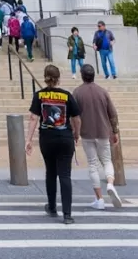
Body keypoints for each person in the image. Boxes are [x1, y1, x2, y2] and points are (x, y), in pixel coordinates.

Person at [26, 64, 82, 224]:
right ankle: (67, 214)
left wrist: (28, 139)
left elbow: (33, 118)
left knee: (50, 172)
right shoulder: (66, 95)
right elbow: (77, 118)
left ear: (45, 77)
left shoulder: (40, 95)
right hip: (65, 137)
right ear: (59, 78)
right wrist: (76, 134)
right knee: (65, 174)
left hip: (47, 137)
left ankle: (51, 206)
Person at [72, 66, 123, 209]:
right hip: (103, 131)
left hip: (87, 132)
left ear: (82, 76)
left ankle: (99, 198)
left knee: (92, 164)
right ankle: (110, 184)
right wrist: (115, 131)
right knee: (106, 161)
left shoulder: (77, 92)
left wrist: (75, 133)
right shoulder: (102, 92)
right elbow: (112, 113)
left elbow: (73, 116)